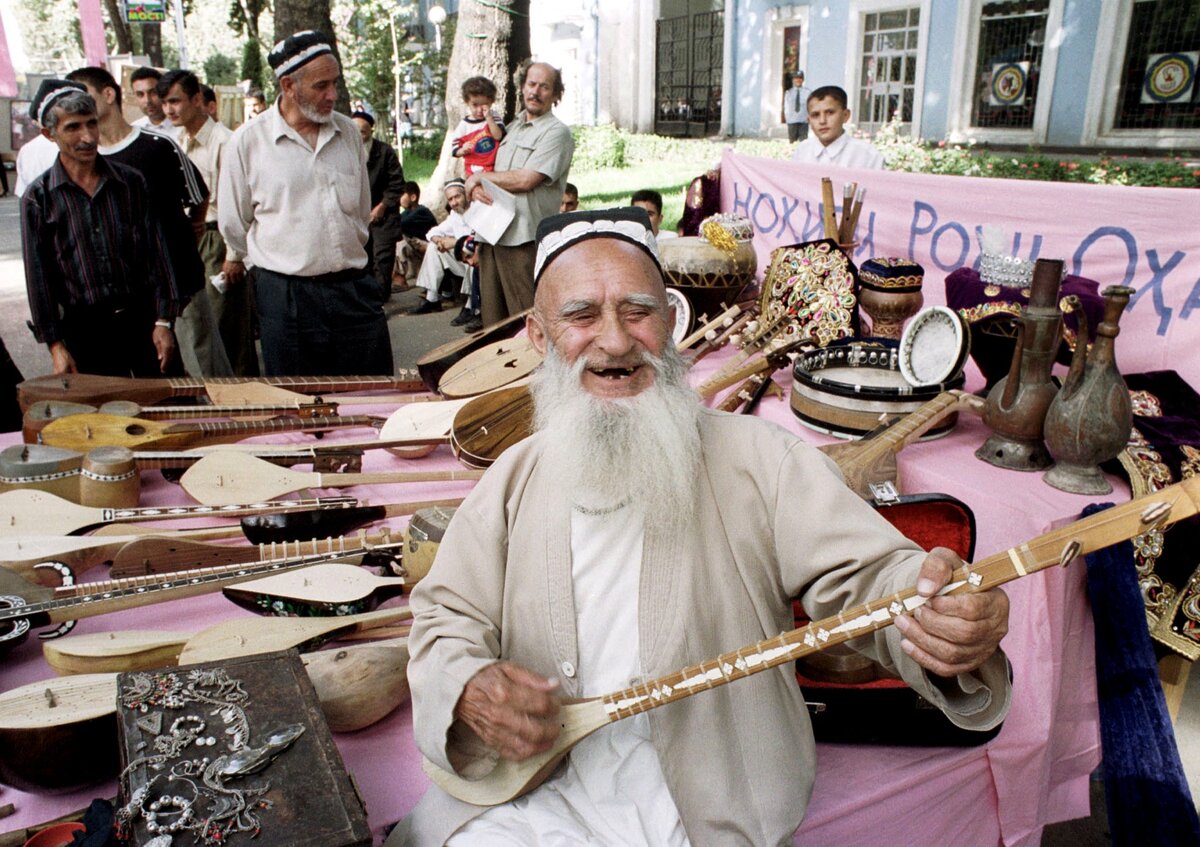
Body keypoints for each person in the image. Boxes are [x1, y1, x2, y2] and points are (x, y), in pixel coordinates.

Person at [393, 207, 1011, 846]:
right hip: (531, 796)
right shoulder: (512, 480)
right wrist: (466, 686)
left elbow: (875, 578)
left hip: (711, 805)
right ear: (540, 339)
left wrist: (936, 613)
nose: (613, 341)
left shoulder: (762, 461)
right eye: (581, 316)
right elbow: (445, 616)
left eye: (637, 311)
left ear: (670, 321)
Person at [219, 30, 393, 377]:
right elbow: (233, 225)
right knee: (302, 403)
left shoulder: (347, 135)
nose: (333, 95)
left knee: (375, 392)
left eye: (335, 83)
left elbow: (360, 211)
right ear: (288, 86)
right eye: (320, 86)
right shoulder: (248, 143)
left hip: (354, 289)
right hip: (287, 298)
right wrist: (277, 266)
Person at [67, 65, 227, 378]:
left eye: (82, 95)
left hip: (181, 286)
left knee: (207, 375)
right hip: (131, 299)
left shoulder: (157, 146)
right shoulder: (85, 160)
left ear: (108, 94)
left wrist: (185, 239)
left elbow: (198, 197)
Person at [20, 81, 184, 377]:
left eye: (91, 124)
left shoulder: (130, 182)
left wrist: (164, 321)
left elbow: (158, 253)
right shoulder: (39, 197)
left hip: (144, 324)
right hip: (86, 334)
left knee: (166, 410)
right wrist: (55, 345)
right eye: (73, 128)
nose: (87, 137)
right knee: (105, 419)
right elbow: (39, 278)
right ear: (50, 134)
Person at [160, 68, 258, 377]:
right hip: (193, 236)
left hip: (220, 238)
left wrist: (234, 255)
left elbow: (238, 203)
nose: (169, 110)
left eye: (175, 101)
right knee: (195, 328)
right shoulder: (177, 141)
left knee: (227, 329)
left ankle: (245, 401)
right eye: (165, 103)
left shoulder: (225, 142)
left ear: (198, 99)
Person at [465, 60, 573, 326]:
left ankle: (534, 370)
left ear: (556, 95)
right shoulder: (511, 128)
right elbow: (490, 166)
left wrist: (479, 177)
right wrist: (476, 186)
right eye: (531, 84)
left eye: (545, 87)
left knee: (527, 323)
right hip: (492, 235)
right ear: (522, 88)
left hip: (523, 241)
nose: (535, 92)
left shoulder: (556, 133)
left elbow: (526, 180)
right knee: (493, 322)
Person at [351, 110, 406, 300]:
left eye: (363, 131)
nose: (359, 135)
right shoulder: (346, 154)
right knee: (362, 259)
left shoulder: (384, 152)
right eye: (354, 131)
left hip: (385, 214)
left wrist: (382, 206)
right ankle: (366, 299)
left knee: (382, 259)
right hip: (358, 216)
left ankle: (381, 299)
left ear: (370, 131)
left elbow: (397, 183)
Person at [408, 178, 473, 316]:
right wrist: (440, 240)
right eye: (450, 199)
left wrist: (454, 242)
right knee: (433, 247)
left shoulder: (476, 210)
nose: (454, 202)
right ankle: (432, 300)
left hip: (478, 261)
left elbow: (478, 239)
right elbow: (432, 232)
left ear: (466, 194)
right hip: (462, 261)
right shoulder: (455, 215)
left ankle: (471, 305)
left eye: (457, 197)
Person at [791, 85, 885, 170]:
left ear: (845, 115)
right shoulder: (801, 153)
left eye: (830, 113)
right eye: (815, 115)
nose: (822, 121)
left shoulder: (868, 156)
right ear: (809, 121)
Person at [452, 76, 505, 176]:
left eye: (485, 105)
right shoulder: (464, 126)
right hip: (473, 168)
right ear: (467, 102)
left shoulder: (494, 117)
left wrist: (489, 119)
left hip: (494, 166)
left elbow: (498, 136)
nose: (480, 110)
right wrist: (463, 150)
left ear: (491, 102)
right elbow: (454, 150)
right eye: (475, 105)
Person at [394, 181, 438, 288]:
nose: (399, 199)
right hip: (416, 248)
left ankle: (400, 277)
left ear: (413, 197)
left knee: (399, 240)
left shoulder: (422, 211)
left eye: (402, 195)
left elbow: (399, 224)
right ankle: (409, 272)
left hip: (429, 247)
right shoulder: (406, 213)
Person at [129, 66, 183, 141]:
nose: (147, 100)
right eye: (140, 94)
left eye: (153, 93)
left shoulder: (183, 127)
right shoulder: (135, 131)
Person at [784, 71, 811, 143]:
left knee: (804, 143)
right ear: (793, 80)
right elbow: (786, 107)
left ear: (803, 80)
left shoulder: (808, 92)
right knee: (792, 142)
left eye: (800, 78)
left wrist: (810, 117)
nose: (798, 80)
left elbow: (811, 105)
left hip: (804, 121)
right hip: (792, 120)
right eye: (796, 78)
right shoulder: (788, 92)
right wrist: (787, 118)